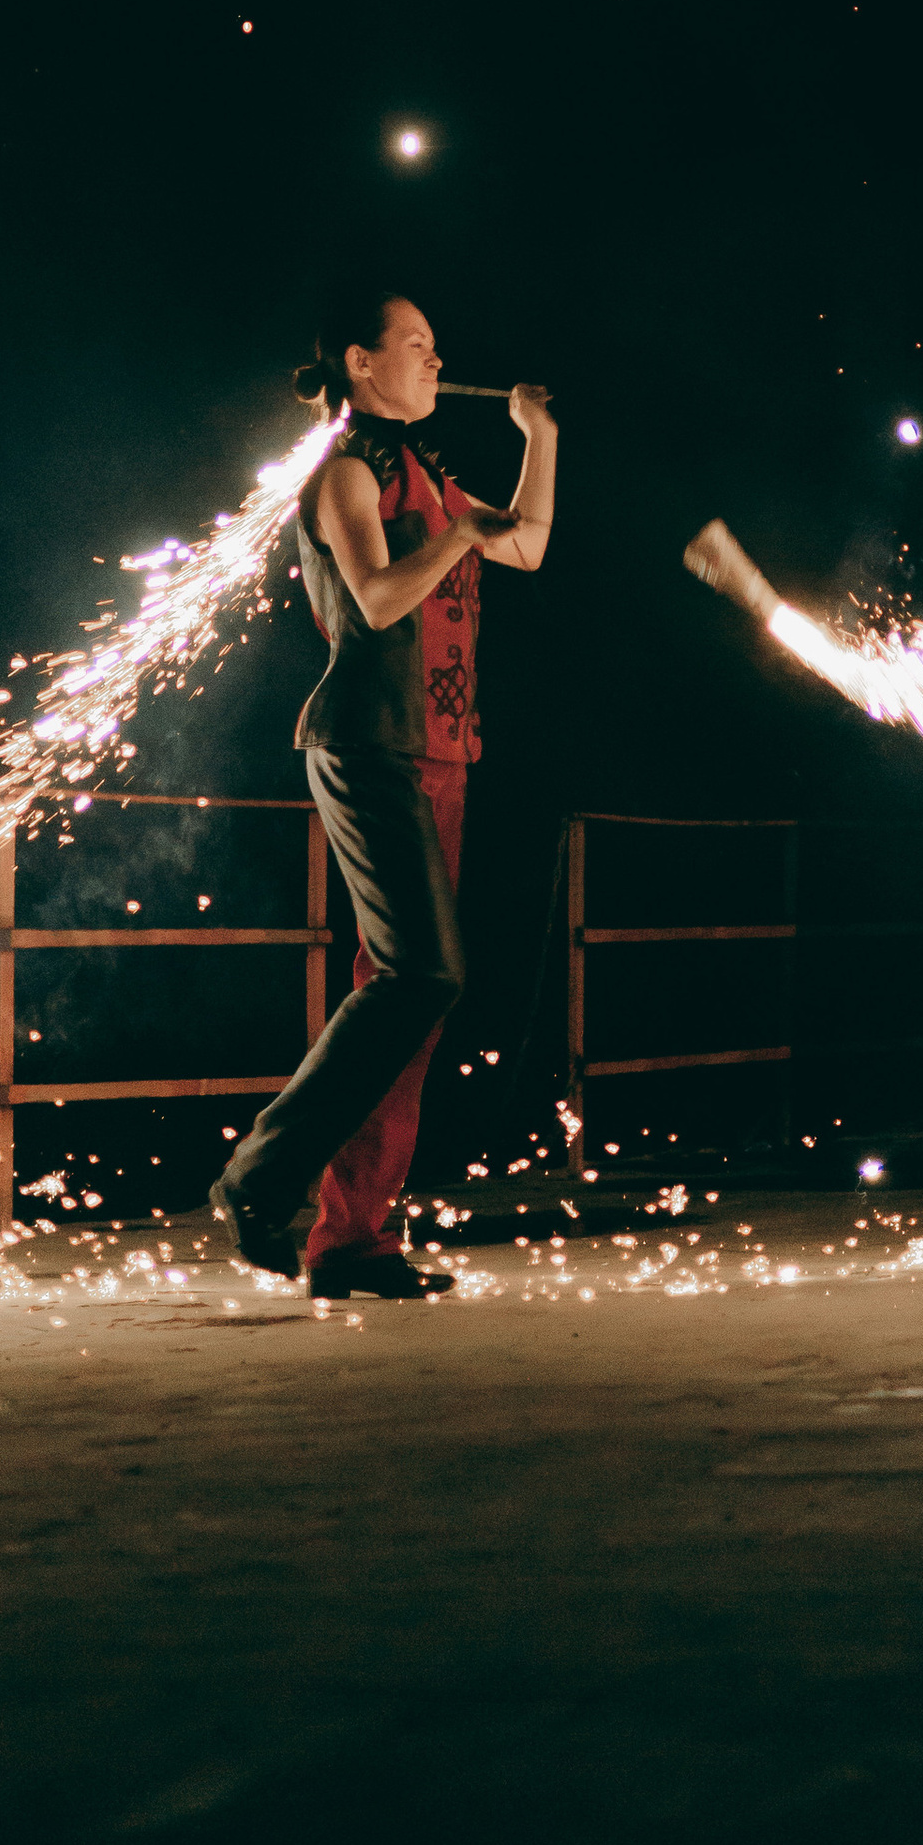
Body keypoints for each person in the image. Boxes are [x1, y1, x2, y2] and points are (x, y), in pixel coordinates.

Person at [210, 293, 555, 1296]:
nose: (436, 360)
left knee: (407, 998)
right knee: (422, 976)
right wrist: (453, 538)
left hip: (439, 750)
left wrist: (537, 439)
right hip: (367, 745)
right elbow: (376, 600)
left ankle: (353, 1241)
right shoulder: (346, 472)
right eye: (416, 345)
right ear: (362, 364)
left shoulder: (426, 473)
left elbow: (527, 542)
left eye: (437, 347)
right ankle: (259, 1180)